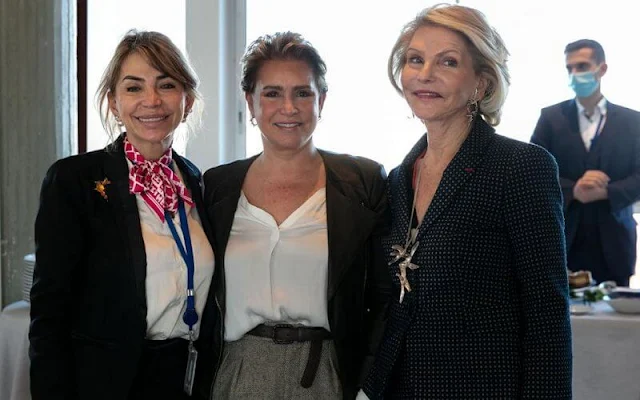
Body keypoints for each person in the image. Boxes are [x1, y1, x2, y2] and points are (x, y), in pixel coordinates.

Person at [359, 5, 572, 399]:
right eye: (415, 59)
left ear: (481, 84)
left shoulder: (520, 167)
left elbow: (547, 311)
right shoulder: (400, 178)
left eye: (448, 62)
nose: (425, 74)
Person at [198, 31, 391, 399]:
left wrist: (367, 382)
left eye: (303, 92)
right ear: (250, 102)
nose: (289, 107)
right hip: (237, 371)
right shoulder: (218, 186)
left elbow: (384, 297)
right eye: (272, 93)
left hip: (327, 371)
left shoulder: (362, 181)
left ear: (322, 101)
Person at [29, 30, 215, 400]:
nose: (152, 100)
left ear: (187, 100)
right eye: (133, 88)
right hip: (106, 382)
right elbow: (49, 313)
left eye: (166, 85)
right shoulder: (74, 180)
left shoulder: (196, 180)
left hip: (186, 376)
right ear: (114, 103)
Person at [531, 39, 640, 287]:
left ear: (601, 69)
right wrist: (574, 190)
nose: (574, 74)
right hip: (563, 238)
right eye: (569, 68)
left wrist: (607, 191)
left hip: (615, 241)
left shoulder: (633, 122)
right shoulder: (551, 118)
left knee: (615, 321)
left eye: (582, 66)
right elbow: (534, 172)